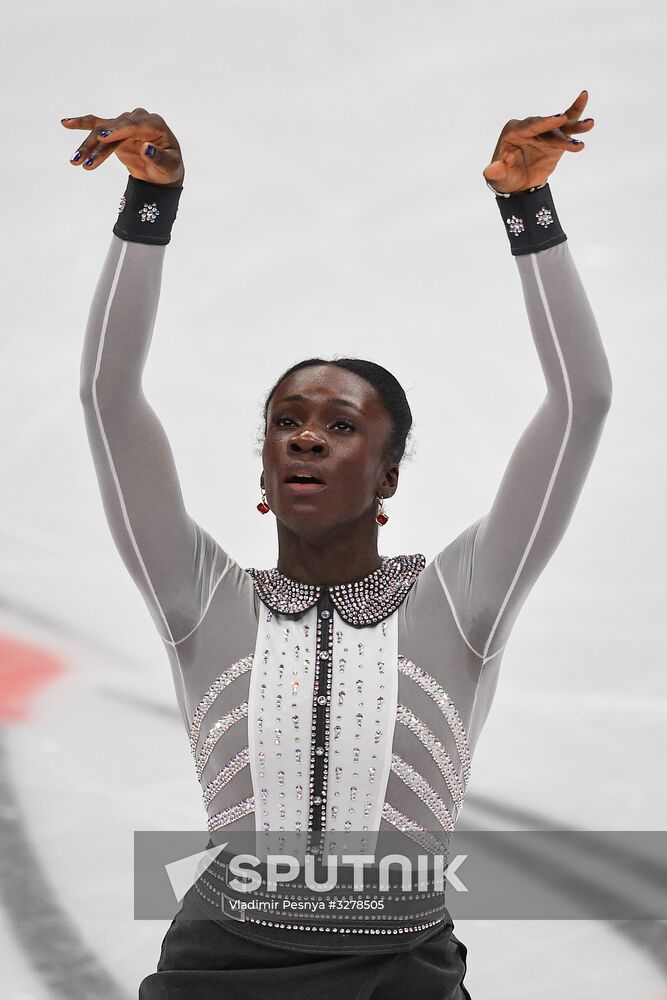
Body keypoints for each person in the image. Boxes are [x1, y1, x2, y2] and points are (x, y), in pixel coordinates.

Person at [63, 88, 611, 999]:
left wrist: (528, 210)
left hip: (400, 975)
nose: (306, 437)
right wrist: (147, 209)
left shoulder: (460, 604)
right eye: (286, 421)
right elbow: (105, 398)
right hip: (220, 971)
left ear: (389, 474)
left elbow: (580, 404)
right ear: (266, 462)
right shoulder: (200, 599)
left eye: (340, 425)